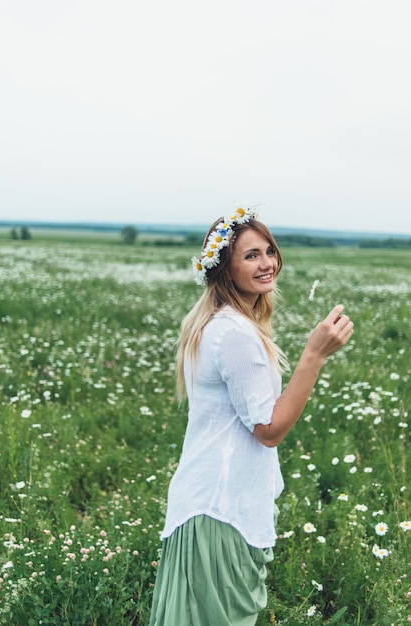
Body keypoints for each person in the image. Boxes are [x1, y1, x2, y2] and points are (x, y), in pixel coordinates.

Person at [149, 205, 354, 626]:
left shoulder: (216, 324)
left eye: (269, 251)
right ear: (224, 269)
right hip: (220, 510)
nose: (267, 263)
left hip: (208, 502)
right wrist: (313, 355)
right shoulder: (236, 334)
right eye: (250, 255)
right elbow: (268, 429)